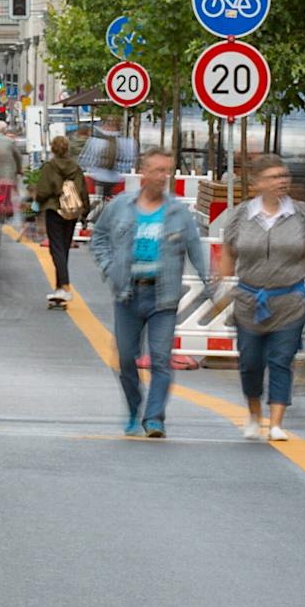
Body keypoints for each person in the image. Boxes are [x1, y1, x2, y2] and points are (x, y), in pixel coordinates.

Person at [212, 153, 305, 442]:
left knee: (282, 359)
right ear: (257, 183)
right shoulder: (241, 215)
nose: (281, 181)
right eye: (273, 177)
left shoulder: (302, 214)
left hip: (290, 299)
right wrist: (220, 279)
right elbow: (228, 250)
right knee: (250, 362)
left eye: (284, 176)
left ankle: (276, 423)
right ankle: (254, 415)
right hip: (249, 301)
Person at [91, 147, 209, 438]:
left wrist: (210, 285)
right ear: (143, 172)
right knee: (126, 359)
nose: (162, 177)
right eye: (157, 170)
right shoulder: (121, 206)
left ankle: (154, 418)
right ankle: (134, 408)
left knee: (160, 359)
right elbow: (99, 238)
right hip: (128, 294)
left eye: (166, 171)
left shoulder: (178, 213)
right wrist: (109, 268)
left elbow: (195, 251)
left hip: (163, 296)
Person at [32, 131, 88, 309]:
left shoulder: (49, 167)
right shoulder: (75, 167)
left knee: (56, 248)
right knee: (63, 249)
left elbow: (43, 191)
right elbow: (83, 190)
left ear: (53, 149)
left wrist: (37, 203)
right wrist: (84, 213)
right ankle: (59, 288)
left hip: (54, 210)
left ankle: (64, 285)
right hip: (71, 212)